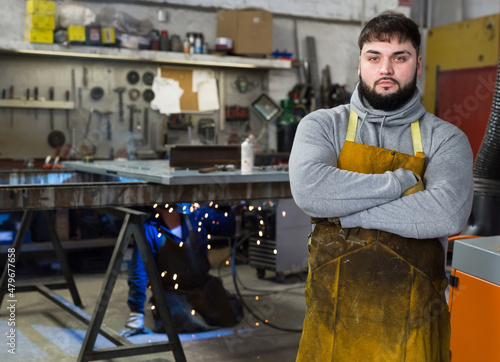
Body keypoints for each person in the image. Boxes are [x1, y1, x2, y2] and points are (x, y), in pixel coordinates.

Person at [289, 12, 474, 362]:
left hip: (414, 324)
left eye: (399, 57)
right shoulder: (322, 125)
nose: (385, 69)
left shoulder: (446, 138)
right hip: (331, 322)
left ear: (418, 64)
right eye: (374, 57)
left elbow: (447, 214)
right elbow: (311, 192)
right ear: (360, 64)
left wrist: (343, 211)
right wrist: (402, 183)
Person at [123, 202, 240, 336]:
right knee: (183, 321)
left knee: (230, 313)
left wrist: (230, 209)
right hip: (172, 293)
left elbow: (227, 226)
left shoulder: (197, 217)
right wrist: (136, 313)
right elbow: (139, 271)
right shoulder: (150, 229)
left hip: (202, 286)